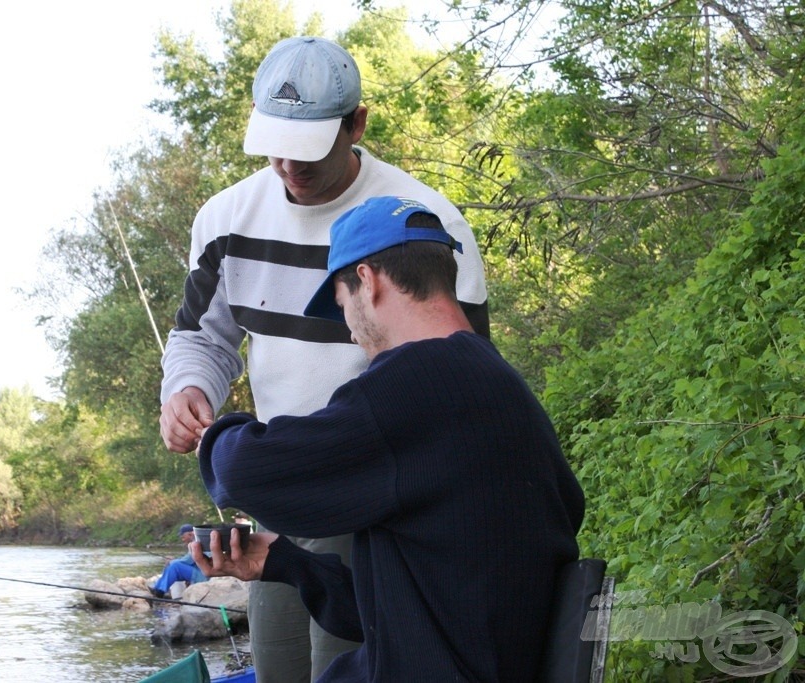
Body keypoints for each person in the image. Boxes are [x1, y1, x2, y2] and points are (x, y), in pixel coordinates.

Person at [158, 36, 489, 683]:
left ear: (356, 125)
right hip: (282, 498)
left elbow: (465, 383)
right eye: (276, 146)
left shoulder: (425, 224)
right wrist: (187, 387)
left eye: (308, 148)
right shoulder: (226, 219)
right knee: (280, 670)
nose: (290, 167)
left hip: (385, 506)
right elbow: (203, 335)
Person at [189, 196, 585, 682]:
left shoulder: (416, 383)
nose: (352, 334)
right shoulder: (500, 386)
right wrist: (284, 562)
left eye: (342, 308)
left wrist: (215, 432)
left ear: (367, 281)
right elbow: (411, 616)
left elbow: (244, 470)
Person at [150, 524, 206, 599]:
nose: (183, 539)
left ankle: (160, 591)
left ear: (190, 534)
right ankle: (158, 588)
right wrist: (173, 560)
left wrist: (173, 560)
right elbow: (189, 559)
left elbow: (189, 560)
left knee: (174, 565)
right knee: (171, 564)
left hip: (202, 575)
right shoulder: (195, 542)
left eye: (183, 537)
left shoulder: (198, 542)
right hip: (198, 571)